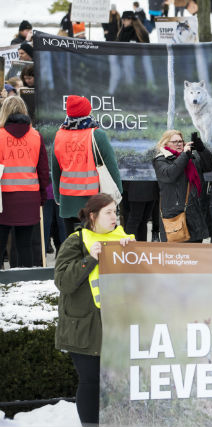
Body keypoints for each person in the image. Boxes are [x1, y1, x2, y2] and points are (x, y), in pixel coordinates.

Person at [54, 194, 135, 426]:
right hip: (84, 328)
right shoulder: (75, 241)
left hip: (116, 325)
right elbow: (63, 282)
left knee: (116, 381)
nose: (114, 217)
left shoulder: (125, 240)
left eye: (116, 212)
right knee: (91, 382)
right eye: (108, 212)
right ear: (93, 216)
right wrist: (90, 259)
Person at [52, 95, 123, 236]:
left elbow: (55, 170)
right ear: (87, 111)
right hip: (93, 200)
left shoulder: (59, 135)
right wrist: (118, 192)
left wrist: (58, 198)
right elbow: (111, 166)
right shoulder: (97, 135)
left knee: (73, 243)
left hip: (67, 199)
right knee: (95, 243)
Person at [0, 97, 49, 267]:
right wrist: (42, 196)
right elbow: (43, 171)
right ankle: (25, 284)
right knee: (25, 246)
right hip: (29, 197)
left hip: (3, 199)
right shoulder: (36, 135)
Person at [153, 130, 212, 242]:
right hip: (175, 217)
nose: (179, 144)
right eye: (175, 142)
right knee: (176, 257)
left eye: (180, 141)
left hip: (195, 215)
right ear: (166, 144)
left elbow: (210, 165)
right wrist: (184, 155)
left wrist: (201, 149)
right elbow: (170, 175)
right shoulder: (161, 160)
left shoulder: (191, 157)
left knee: (195, 257)